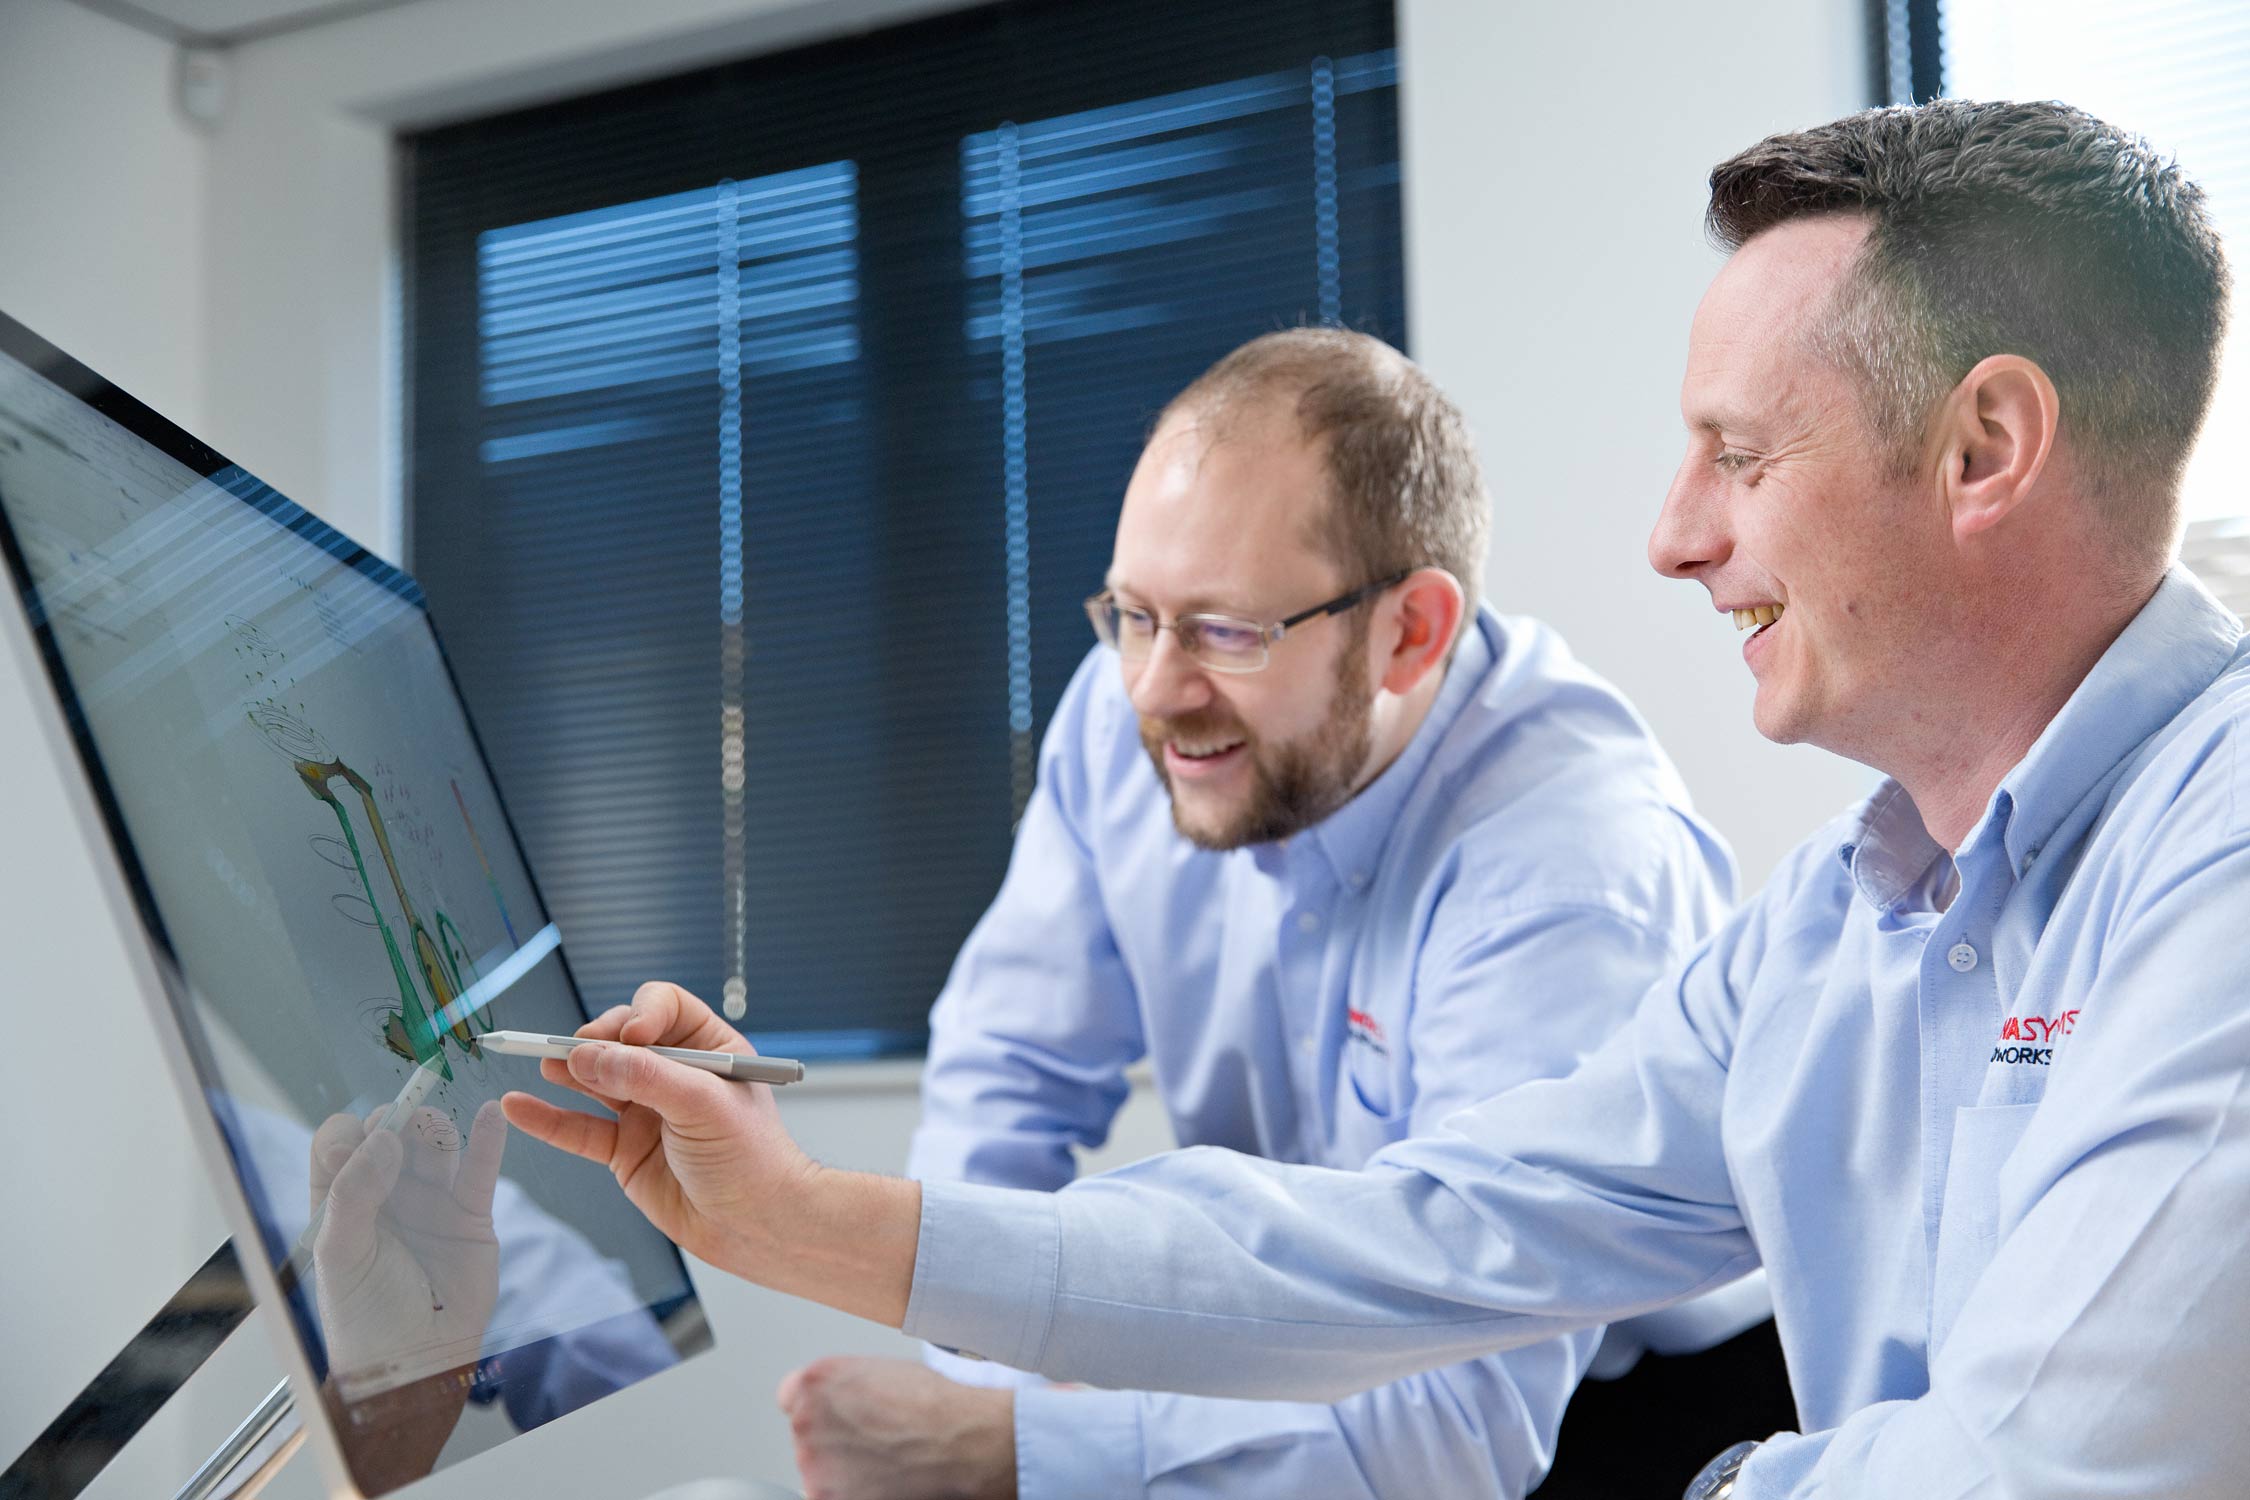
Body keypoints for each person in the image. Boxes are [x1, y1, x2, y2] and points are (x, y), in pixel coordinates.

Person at [501, 98, 2245, 1497]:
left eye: (1740, 453)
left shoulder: (2214, 858)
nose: (1673, 534)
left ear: (1984, 451)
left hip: (1618, 1406)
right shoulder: (1843, 912)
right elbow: (1414, 1236)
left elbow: (2046, 1468)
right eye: (1135, 622)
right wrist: (806, 1220)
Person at [770, 328, 1754, 1498]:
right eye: (1134, 614)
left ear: (1411, 632)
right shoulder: (1124, 716)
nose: (1154, 690)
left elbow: (1457, 1430)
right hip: (1297, 1337)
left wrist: (1004, 1456)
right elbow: (1009, 1081)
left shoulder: (1571, 868)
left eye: (1225, 631)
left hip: (1623, 1401)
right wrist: (993, 1383)